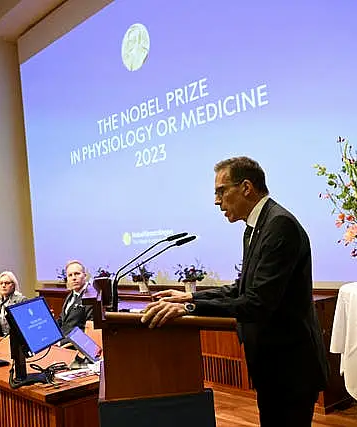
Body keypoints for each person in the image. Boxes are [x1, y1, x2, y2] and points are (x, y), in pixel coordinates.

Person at [140, 156, 329, 426]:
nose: (217, 201)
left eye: (221, 191)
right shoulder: (256, 226)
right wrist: (191, 296)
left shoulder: (279, 225)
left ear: (246, 187)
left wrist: (189, 309)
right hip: (272, 364)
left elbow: (257, 303)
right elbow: (242, 288)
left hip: (290, 366)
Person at [57, 260, 93, 340]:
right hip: (61, 340)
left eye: (77, 274)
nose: (74, 278)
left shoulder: (91, 297)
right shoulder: (71, 295)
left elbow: (87, 330)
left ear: (85, 276)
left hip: (73, 346)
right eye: (70, 275)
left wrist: (61, 343)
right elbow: (62, 320)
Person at [0, 271, 27, 337]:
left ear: (13, 285)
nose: (3, 285)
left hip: (16, 340)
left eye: (7, 283)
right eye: (1, 283)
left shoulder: (21, 300)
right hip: (1, 339)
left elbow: (23, 326)